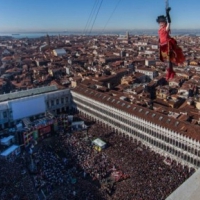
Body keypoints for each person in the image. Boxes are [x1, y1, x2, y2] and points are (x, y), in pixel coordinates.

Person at [157, 7, 185, 80]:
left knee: (169, 59)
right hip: (162, 45)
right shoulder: (160, 28)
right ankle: (170, 72)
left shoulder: (166, 27)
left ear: (164, 22)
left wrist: (167, 13)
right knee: (167, 59)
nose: (160, 23)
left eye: (161, 22)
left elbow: (169, 21)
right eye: (159, 22)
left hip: (167, 44)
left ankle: (170, 73)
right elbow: (161, 36)